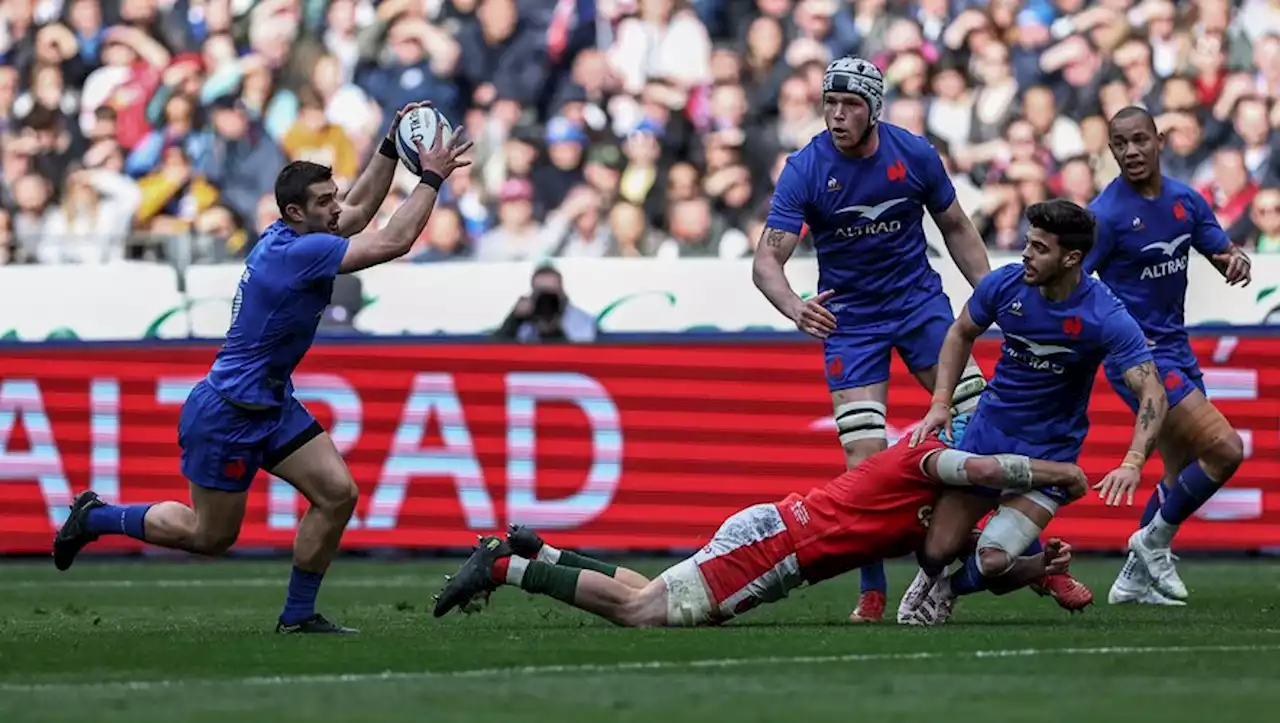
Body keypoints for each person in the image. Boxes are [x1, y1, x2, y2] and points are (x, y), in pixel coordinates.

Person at [50, 104, 474, 634]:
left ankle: (298, 616)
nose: (336, 206)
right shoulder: (298, 255)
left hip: (270, 401)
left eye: (333, 194)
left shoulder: (294, 235)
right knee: (210, 537)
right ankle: (94, 517)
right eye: (324, 202)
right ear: (296, 213)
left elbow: (360, 211)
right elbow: (392, 240)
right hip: (229, 411)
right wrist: (432, 175)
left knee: (337, 494)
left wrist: (390, 145)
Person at [752, 56, 994, 622]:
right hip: (850, 321)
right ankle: (873, 589)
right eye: (829, 104)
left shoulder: (912, 153)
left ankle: (1024, 562)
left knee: (979, 423)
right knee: (865, 462)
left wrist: (988, 296)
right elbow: (768, 258)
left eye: (850, 105)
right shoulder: (805, 168)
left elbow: (956, 226)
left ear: (875, 110)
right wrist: (794, 306)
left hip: (918, 306)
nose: (837, 115)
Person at [432, 419, 1088, 628]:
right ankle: (504, 566)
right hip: (781, 544)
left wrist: (1035, 567)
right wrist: (1054, 473)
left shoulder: (941, 516)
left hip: (776, 535)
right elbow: (975, 469)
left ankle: (535, 547)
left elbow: (974, 567)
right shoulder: (927, 458)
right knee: (643, 613)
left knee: (654, 590)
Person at [897, 199, 1169, 626]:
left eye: (1040, 248)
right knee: (936, 548)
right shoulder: (1005, 285)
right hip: (990, 435)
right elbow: (960, 332)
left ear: (1071, 258)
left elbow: (1152, 389)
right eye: (1028, 243)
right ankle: (1029, 569)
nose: (1026, 253)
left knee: (992, 562)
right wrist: (939, 403)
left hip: (1050, 453)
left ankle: (950, 590)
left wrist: (1134, 461)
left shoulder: (1105, 315)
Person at [1087, 107, 1251, 605]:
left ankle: (1131, 582)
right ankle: (1152, 542)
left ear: (1160, 141)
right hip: (1138, 359)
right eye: (1120, 144)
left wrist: (1233, 260)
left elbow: (1219, 249)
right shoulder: (1106, 215)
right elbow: (1076, 283)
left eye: (1139, 140)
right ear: (1111, 150)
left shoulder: (1186, 201)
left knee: (1179, 475)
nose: (1131, 151)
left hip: (1176, 347)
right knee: (1226, 449)